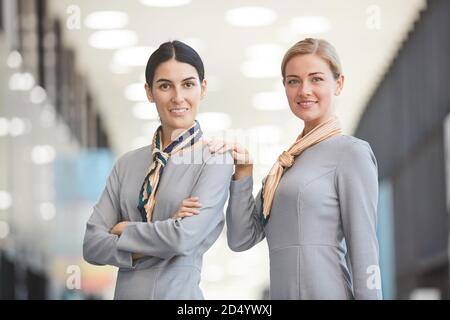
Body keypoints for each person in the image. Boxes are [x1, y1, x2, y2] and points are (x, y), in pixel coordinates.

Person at [203, 38, 382, 299]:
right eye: (293, 81)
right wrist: (243, 175)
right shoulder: (285, 164)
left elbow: (365, 248)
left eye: (316, 79)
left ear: (339, 84)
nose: (304, 90)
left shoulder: (351, 152)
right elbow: (241, 238)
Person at [82, 40, 233, 300]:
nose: (178, 97)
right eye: (165, 86)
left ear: (202, 88)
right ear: (149, 92)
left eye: (188, 84)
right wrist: (167, 228)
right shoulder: (127, 164)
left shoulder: (215, 160)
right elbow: (92, 246)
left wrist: (125, 230)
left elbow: (182, 239)